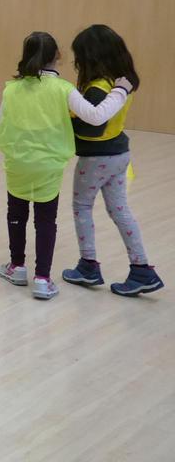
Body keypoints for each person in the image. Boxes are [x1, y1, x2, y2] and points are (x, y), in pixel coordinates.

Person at [0, 31, 134, 300]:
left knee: (17, 213)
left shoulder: (10, 89)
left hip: (17, 162)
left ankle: (17, 267)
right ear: (58, 56)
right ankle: (42, 279)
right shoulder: (64, 89)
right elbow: (96, 117)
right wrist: (120, 90)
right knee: (46, 219)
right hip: (48, 165)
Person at [61, 25, 163, 296]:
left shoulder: (96, 88)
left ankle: (88, 265)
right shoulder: (119, 82)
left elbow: (92, 127)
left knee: (81, 206)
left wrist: (65, 121)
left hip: (96, 158)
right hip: (120, 155)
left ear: (90, 57)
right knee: (120, 210)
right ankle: (142, 269)